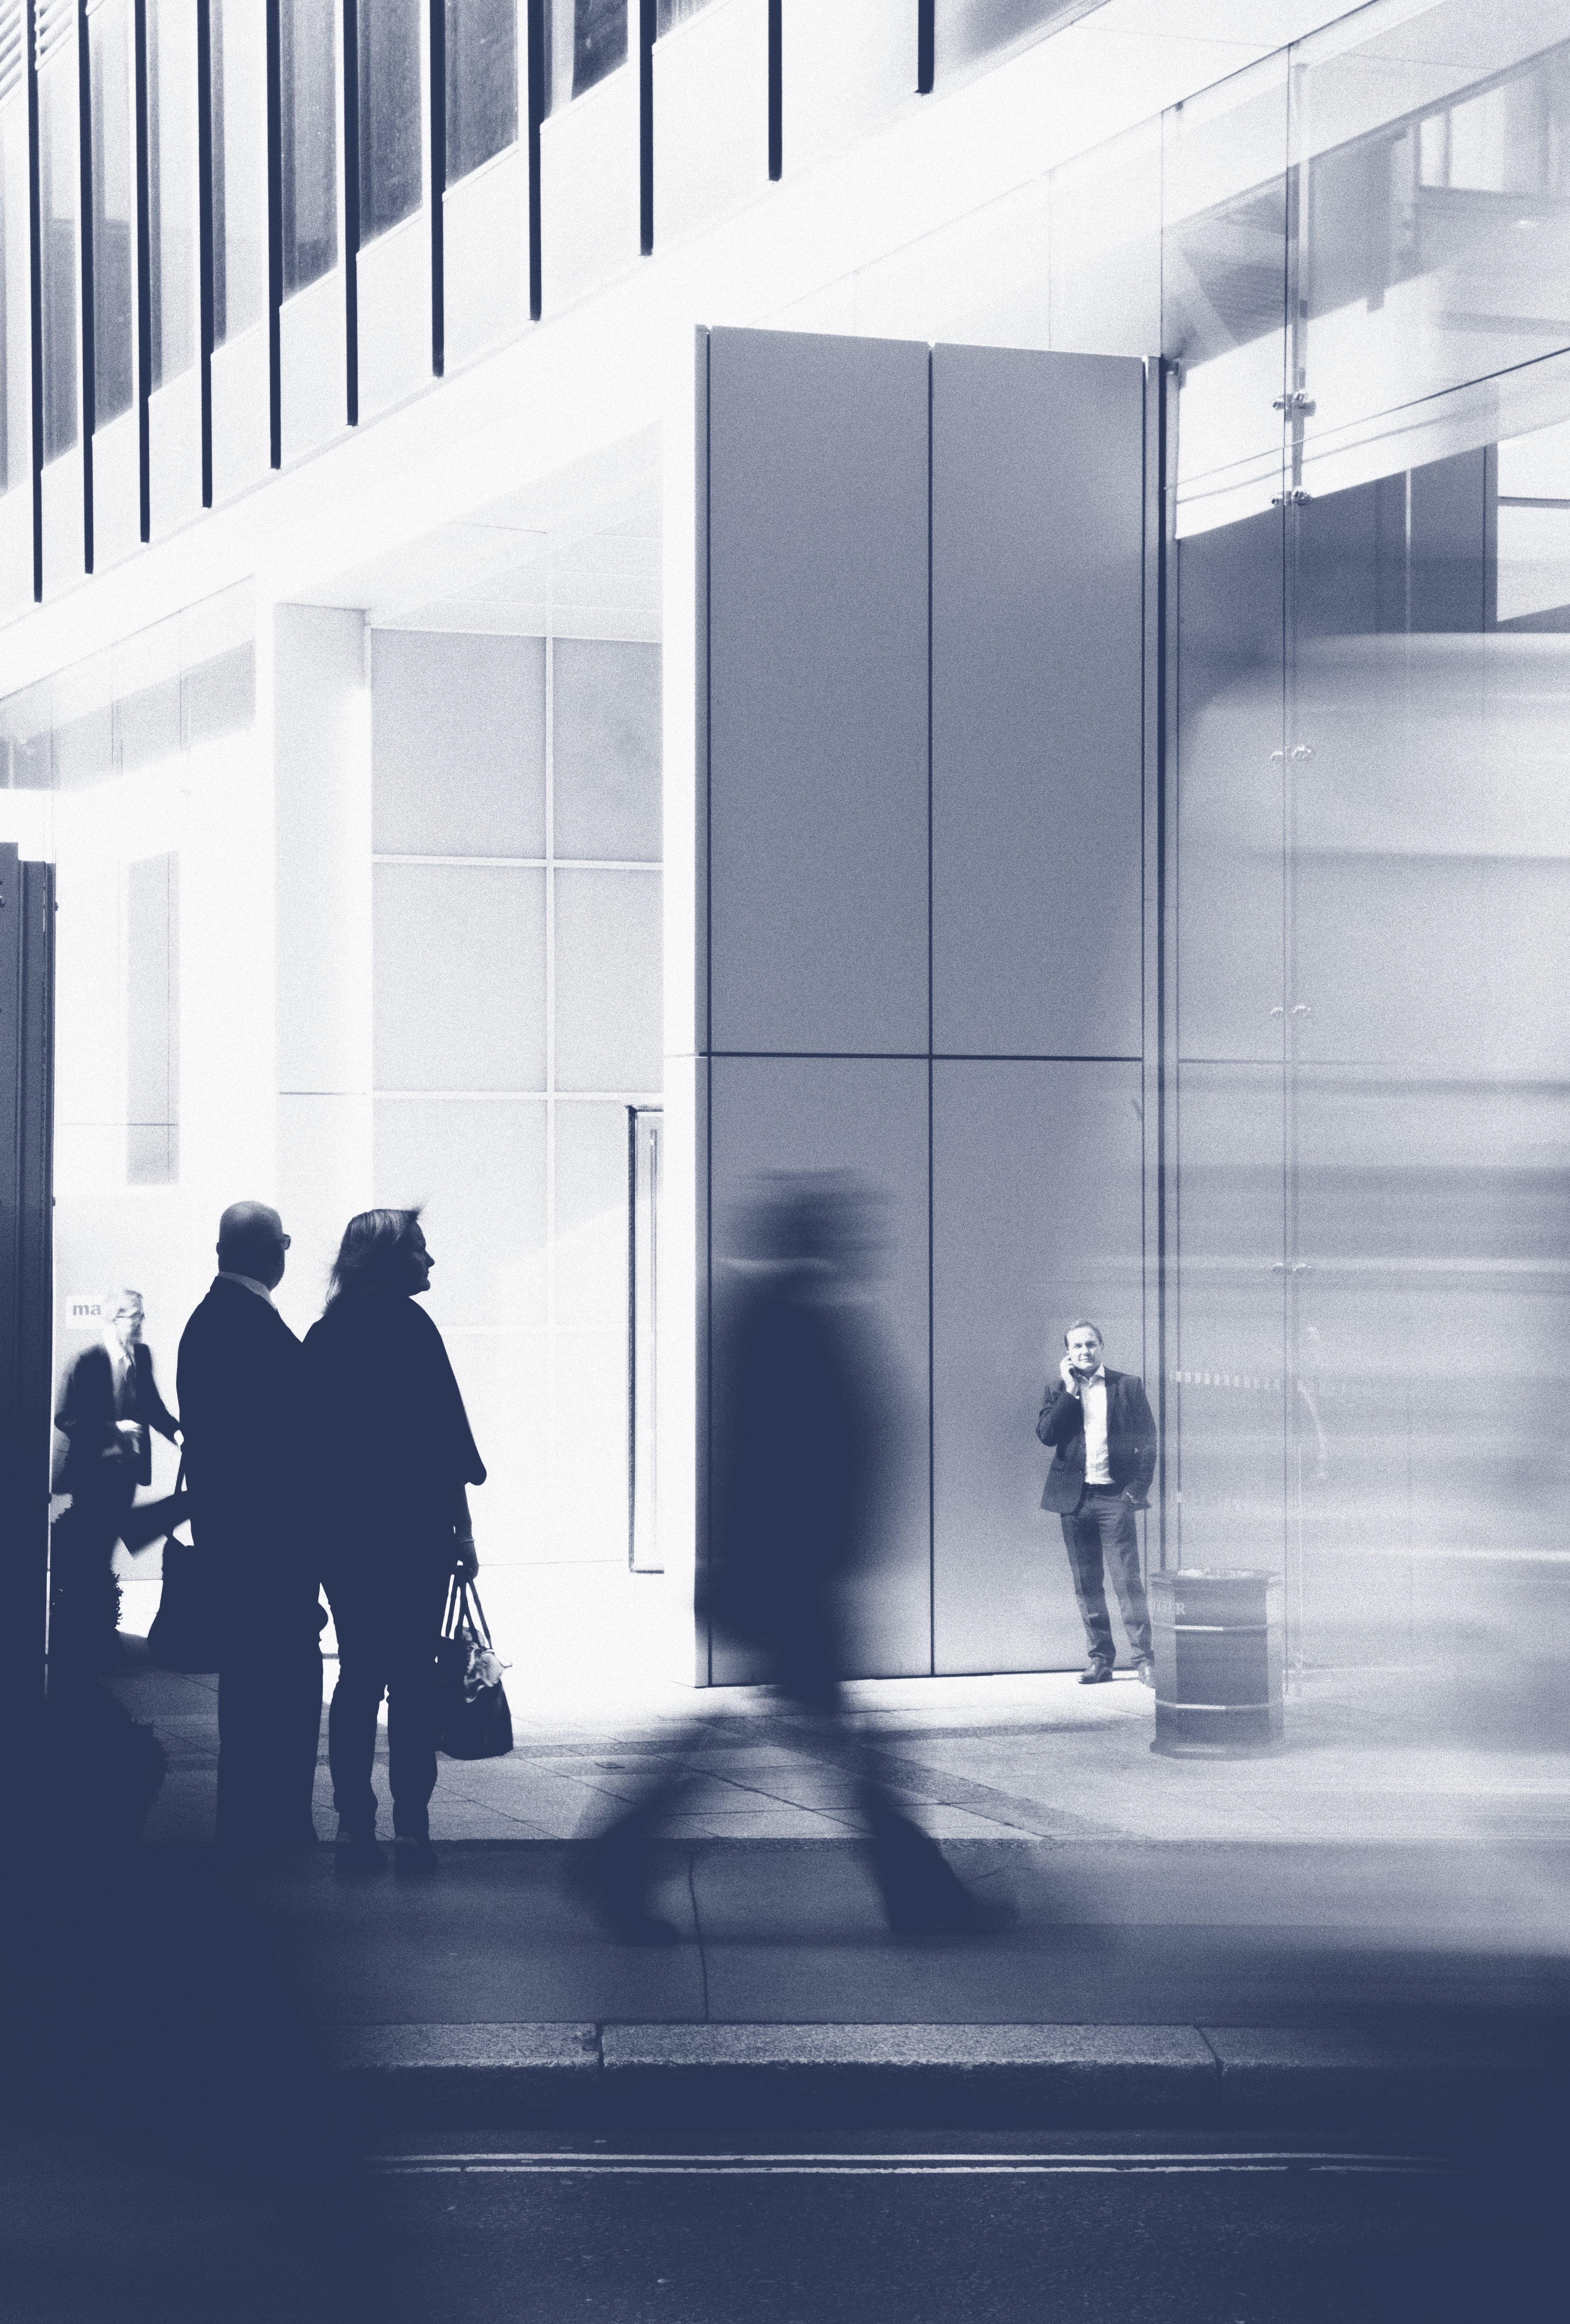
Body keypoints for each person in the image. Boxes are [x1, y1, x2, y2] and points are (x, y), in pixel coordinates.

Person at [572, 1171, 1013, 1944]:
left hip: (782, 1575)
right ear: (812, 1239)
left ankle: (616, 1859)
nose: (864, 1250)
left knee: (829, 1743)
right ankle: (919, 1899)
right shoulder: (785, 1317)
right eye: (847, 1236)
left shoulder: (771, 1312)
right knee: (847, 1748)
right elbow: (785, 1457)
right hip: (788, 1578)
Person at [301, 1209, 484, 1878]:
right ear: (390, 1260)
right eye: (421, 1252)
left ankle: (354, 1824)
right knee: (411, 1680)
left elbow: (307, 1448)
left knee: (357, 1675)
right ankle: (412, 1829)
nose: (430, 1263)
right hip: (413, 1534)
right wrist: (461, 1529)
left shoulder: (325, 1335)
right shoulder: (413, 1329)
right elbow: (444, 1442)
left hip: (345, 1537)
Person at [177, 1203, 323, 1850]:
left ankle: (247, 1817)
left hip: (232, 1534)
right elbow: (286, 1435)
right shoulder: (249, 1323)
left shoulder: (208, 1321)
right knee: (285, 1681)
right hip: (271, 1540)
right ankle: (279, 1819)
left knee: (249, 1684)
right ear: (273, 1252)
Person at [51, 1289, 181, 1675]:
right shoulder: (85, 1361)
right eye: (134, 1317)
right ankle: (97, 1642)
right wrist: (114, 1428)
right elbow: (65, 1417)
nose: (141, 1323)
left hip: (126, 1472)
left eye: (142, 1316)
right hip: (92, 1472)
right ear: (113, 1320)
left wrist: (178, 1433)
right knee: (95, 1554)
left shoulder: (141, 1357)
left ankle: (96, 1639)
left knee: (101, 1552)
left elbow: (153, 1407)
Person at [1037, 1320, 1157, 1686]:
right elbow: (1047, 1435)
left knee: (1127, 1581)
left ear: (1102, 1346)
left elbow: (1149, 1441)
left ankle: (1145, 1660)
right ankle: (1101, 1660)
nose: (1085, 1352)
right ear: (1068, 1353)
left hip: (1114, 1498)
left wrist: (1135, 1491)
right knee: (1086, 1583)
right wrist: (1070, 1392)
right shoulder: (1059, 1389)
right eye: (1077, 1347)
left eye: (1091, 1344)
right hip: (1074, 1502)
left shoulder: (1128, 1386)